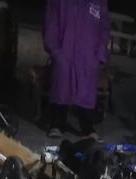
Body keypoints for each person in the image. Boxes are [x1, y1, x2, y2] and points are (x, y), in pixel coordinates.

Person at [43, 0, 110, 139]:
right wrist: (55, 50)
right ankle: (57, 123)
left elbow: (103, 29)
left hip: (88, 54)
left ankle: (87, 126)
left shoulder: (98, 2)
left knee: (85, 90)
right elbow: (51, 23)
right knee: (62, 85)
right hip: (64, 51)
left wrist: (99, 55)